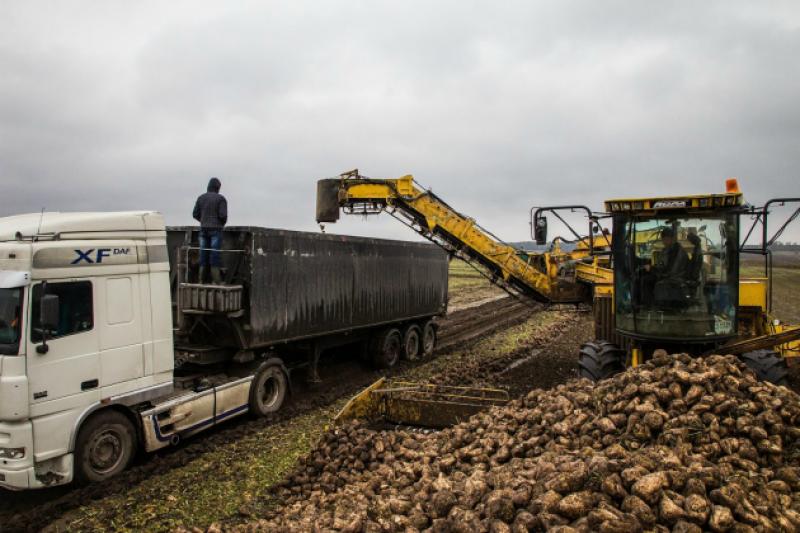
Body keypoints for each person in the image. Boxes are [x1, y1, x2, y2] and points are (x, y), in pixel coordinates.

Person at [193, 177, 228, 283]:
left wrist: (203, 220)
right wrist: (220, 224)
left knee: (203, 254)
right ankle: (217, 281)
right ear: (218, 188)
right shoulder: (221, 199)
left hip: (203, 229)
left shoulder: (201, 198)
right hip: (216, 230)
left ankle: (201, 280)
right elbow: (223, 216)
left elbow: (195, 214)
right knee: (214, 255)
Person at [645, 227, 689, 307]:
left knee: (648, 281)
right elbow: (662, 265)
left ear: (671, 238)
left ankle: (657, 307)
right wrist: (653, 268)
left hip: (676, 279)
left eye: (665, 239)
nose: (663, 241)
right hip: (668, 276)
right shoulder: (668, 250)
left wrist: (653, 269)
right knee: (646, 278)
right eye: (663, 239)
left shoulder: (677, 252)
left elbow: (671, 271)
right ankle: (649, 306)